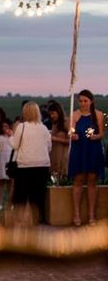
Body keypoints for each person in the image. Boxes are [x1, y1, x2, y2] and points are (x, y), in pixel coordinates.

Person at [68, 89, 105, 226]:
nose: (83, 103)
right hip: (79, 149)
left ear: (91, 101)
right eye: (81, 101)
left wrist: (96, 137)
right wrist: (73, 135)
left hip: (93, 149)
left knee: (92, 180)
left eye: (85, 101)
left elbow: (101, 134)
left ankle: (91, 215)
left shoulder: (99, 115)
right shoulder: (75, 115)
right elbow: (70, 132)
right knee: (78, 179)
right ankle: (76, 214)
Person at [10, 101, 52, 224]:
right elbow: (49, 147)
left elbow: (15, 145)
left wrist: (11, 136)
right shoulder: (44, 128)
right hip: (42, 164)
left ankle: (19, 218)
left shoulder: (21, 127)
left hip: (25, 164)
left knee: (21, 193)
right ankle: (40, 217)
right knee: (39, 193)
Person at [47, 101, 69, 182]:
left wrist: (54, 138)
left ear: (58, 112)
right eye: (50, 114)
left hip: (63, 155)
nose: (51, 116)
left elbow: (71, 140)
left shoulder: (66, 122)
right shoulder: (54, 124)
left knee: (63, 179)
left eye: (53, 113)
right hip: (54, 155)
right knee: (55, 181)